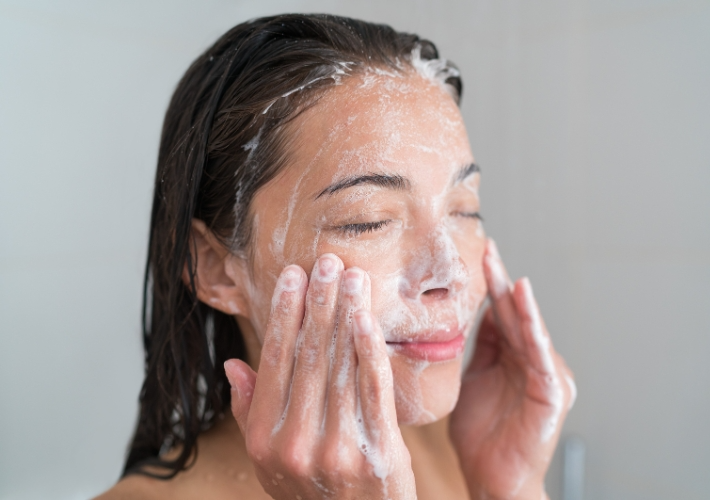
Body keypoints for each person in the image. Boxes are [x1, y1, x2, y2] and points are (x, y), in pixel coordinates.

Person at [97, 13, 575, 500]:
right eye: (368, 220)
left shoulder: (454, 448)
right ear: (217, 268)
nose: (451, 273)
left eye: (464, 210)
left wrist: (512, 489)